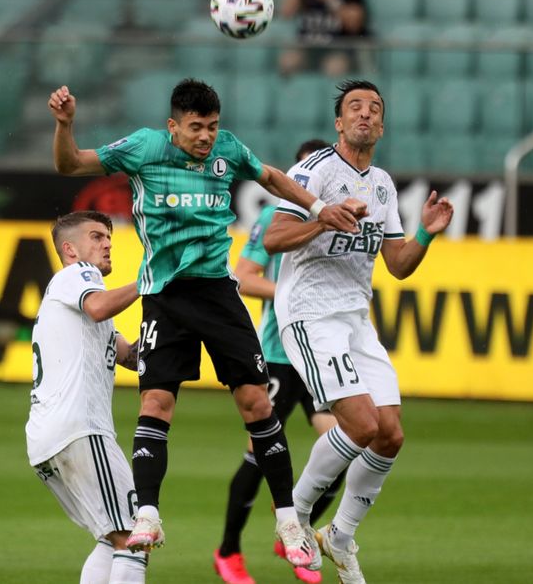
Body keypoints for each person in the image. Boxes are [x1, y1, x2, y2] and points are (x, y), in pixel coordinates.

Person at [46, 79, 364, 568]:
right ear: (173, 126)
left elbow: (274, 178)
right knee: (157, 400)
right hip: (165, 296)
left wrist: (320, 208)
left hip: (218, 292)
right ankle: (148, 514)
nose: (206, 137)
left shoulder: (229, 150)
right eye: (196, 128)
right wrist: (65, 125)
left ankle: (288, 521)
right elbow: (69, 164)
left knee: (256, 401)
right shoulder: (144, 148)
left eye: (212, 127)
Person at [265, 80, 455, 584]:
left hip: (355, 320)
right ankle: (295, 515)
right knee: (362, 424)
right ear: (339, 122)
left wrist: (426, 234)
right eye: (355, 107)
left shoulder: (384, 185)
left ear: (383, 125)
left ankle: (341, 536)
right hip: (309, 315)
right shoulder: (315, 171)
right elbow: (273, 236)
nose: (365, 114)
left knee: (390, 435)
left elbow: (398, 265)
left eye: (375, 108)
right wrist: (324, 219)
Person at [213, 139, 343, 584]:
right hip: (280, 353)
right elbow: (245, 278)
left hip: (324, 354)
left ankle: (295, 529)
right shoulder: (274, 219)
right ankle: (228, 551)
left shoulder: (341, 218)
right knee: (259, 452)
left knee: (344, 447)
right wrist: (294, 295)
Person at [26, 211, 146, 584]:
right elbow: (98, 305)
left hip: (49, 438)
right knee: (135, 535)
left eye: (108, 236)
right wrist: (150, 280)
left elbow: (132, 356)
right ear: (70, 249)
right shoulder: (78, 277)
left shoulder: (78, 304)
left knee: (111, 537)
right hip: (79, 429)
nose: (108, 243)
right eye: (96, 236)